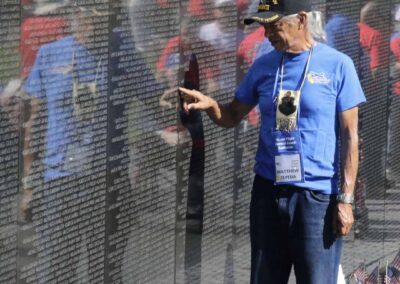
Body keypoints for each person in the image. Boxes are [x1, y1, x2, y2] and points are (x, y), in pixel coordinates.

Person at [179, 0, 366, 283]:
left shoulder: (338, 65)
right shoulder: (264, 66)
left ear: (301, 19)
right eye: (264, 27)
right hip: (268, 191)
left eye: (275, 25)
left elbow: (352, 137)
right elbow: (232, 116)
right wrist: (210, 105)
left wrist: (346, 199)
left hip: (315, 198)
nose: (267, 34)